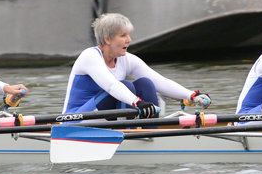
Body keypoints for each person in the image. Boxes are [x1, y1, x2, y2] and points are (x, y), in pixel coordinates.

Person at [62, 13, 210, 115]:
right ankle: (129, 130)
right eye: (123, 35)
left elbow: (160, 81)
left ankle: (151, 130)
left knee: (146, 83)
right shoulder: (90, 56)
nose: (129, 40)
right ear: (107, 39)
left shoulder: (126, 58)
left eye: (129, 35)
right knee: (126, 85)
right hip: (76, 119)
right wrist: (137, 102)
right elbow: (112, 86)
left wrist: (191, 95)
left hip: (103, 118)